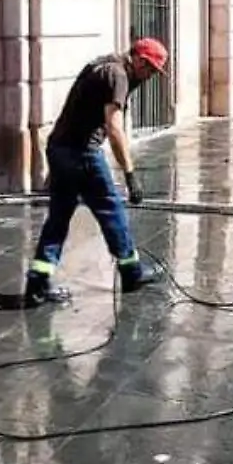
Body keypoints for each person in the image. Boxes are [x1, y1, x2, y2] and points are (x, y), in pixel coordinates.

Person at [23, 38, 169, 308]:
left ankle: (37, 283)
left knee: (59, 216)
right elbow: (114, 127)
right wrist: (130, 174)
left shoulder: (103, 65)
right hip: (82, 152)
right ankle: (131, 272)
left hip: (60, 148)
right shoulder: (118, 75)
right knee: (111, 209)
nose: (149, 77)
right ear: (138, 59)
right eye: (149, 70)